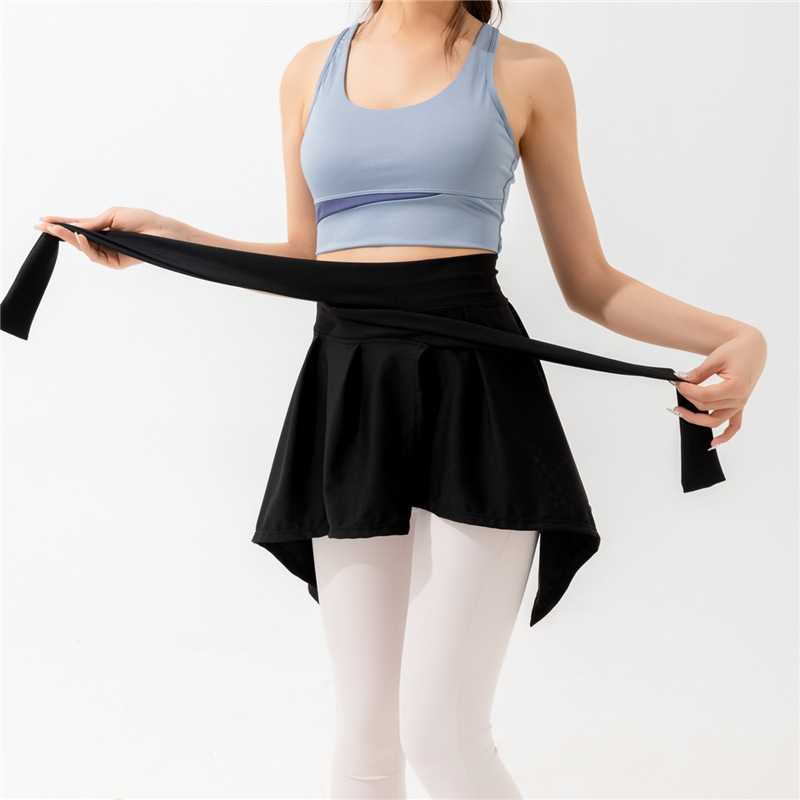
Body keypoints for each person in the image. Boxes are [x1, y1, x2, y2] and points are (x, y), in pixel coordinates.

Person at [27, 1, 766, 797]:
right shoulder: (310, 69)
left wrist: (736, 336)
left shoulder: (526, 72)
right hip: (350, 390)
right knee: (367, 740)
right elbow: (308, 258)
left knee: (441, 734)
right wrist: (166, 237)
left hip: (479, 393)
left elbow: (591, 283)